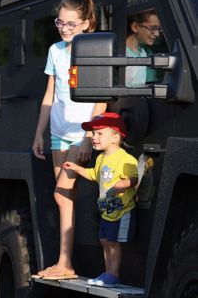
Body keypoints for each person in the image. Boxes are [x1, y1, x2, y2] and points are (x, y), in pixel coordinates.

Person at [32, 0, 107, 280]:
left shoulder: (95, 50)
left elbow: (102, 99)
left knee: (60, 195)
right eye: (60, 23)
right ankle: (65, 263)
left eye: (71, 24)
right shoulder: (55, 51)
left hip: (80, 134)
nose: (65, 29)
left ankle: (65, 264)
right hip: (58, 134)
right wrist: (40, 133)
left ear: (87, 24)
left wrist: (89, 137)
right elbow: (49, 96)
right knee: (67, 199)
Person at [63, 112, 138, 286]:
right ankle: (107, 273)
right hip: (106, 211)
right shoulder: (101, 159)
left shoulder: (126, 159)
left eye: (99, 133)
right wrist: (77, 168)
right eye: (93, 134)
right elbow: (94, 175)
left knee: (113, 242)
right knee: (104, 240)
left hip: (121, 210)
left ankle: (114, 273)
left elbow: (134, 177)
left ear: (115, 137)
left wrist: (125, 183)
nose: (93, 137)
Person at [125, 8, 162, 87]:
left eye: (159, 29)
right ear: (135, 27)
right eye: (153, 28)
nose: (157, 34)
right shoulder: (119, 52)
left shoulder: (145, 53)